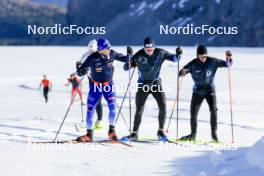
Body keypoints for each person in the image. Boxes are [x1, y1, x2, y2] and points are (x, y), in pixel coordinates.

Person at [122, 37, 181, 141]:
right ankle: (134, 134)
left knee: (163, 106)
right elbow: (126, 67)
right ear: (144, 48)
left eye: (151, 49)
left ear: (154, 47)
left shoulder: (160, 53)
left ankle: (161, 132)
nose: (149, 51)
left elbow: (174, 59)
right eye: (147, 49)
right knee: (139, 109)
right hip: (143, 85)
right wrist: (130, 58)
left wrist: (178, 55)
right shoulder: (139, 54)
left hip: (155, 84)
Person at [76, 38, 128, 142]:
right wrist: (79, 69)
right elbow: (80, 72)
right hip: (95, 86)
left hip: (108, 85)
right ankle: (89, 135)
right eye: (105, 49)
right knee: (90, 109)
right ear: (99, 50)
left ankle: (111, 131)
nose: (108, 51)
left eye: (109, 48)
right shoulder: (92, 57)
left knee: (112, 106)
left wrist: (130, 55)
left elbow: (125, 58)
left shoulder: (112, 54)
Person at [179, 45, 233, 142]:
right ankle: (193, 135)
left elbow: (228, 64)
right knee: (193, 113)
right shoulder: (193, 64)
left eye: (205, 56)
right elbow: (183, 71)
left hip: (210, 90)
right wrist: (182, 72)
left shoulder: (213, 61)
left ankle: (214, 134)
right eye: (201, 56)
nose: (204, 58)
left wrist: (229, 57)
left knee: (213, 110)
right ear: (197, 56)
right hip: (197, 91)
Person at [76, 39, 103, 129]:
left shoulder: (100, 54)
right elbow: (80, 68)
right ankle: (92, 121)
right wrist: (80, 69)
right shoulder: (86, 54)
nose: (91, 51)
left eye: (93, 49)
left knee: (97, 101)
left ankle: (99, 121)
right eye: (90, 48)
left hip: (100, 80)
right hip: (91, 80)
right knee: (92, 101)